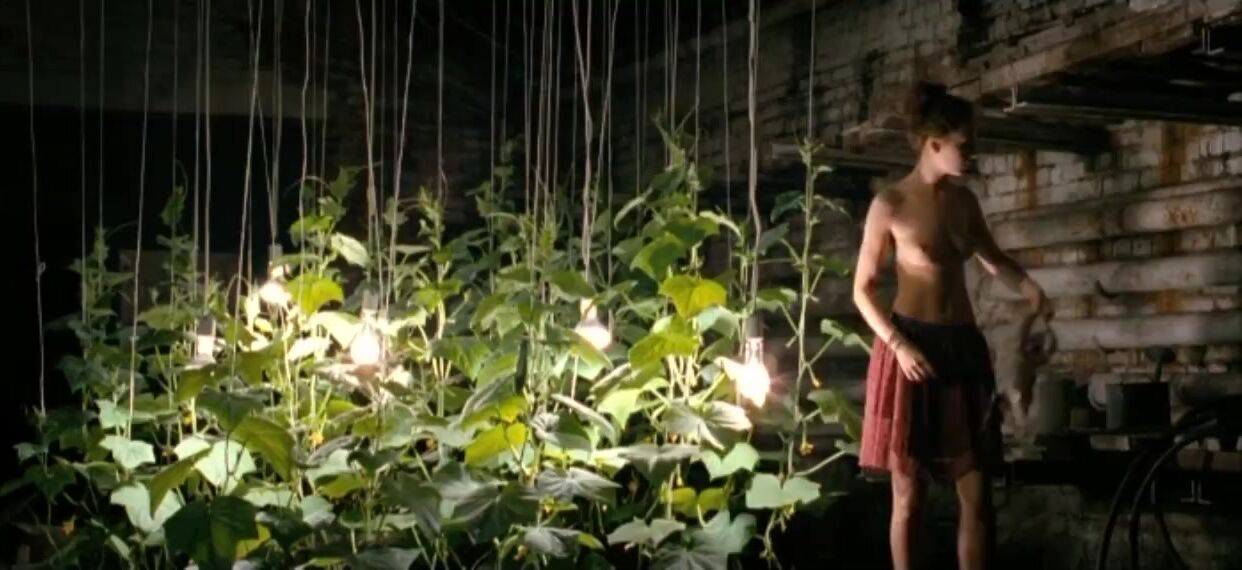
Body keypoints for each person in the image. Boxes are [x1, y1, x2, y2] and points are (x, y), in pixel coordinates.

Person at [852, 81, 1051, 570]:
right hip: (912, 347)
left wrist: (1029, 288)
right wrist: (898, 345)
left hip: (963, 347)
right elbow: (862, 290)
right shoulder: (890, 204)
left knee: (978, 495)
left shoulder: (964, 203)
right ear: (933, 144)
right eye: (965, 143)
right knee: (909, 496)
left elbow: (993, 260)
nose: (973, 152)